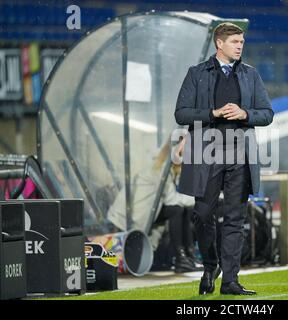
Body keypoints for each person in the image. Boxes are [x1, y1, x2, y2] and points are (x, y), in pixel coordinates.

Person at [174, 22, 273, 295]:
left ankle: (230, 281)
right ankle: (210, 264)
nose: (240, 46)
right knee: (202, 215)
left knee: (234, 219)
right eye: (235, 42)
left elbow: (267, 113)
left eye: (242, 42)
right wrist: (213, 113)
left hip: (240, 156)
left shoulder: (251, 75)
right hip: (206, 154)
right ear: (219, 43)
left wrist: (245, 114)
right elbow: (181, 114)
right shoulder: (197, 74)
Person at [107, 141, 199, 272]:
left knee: (182, 209)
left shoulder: (163, 166)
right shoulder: (161, 169)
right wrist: (201, 199)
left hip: (141, 211)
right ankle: (181, 258)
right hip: (130, 215)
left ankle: (187, 257)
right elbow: (172, 200)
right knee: (177, 210)